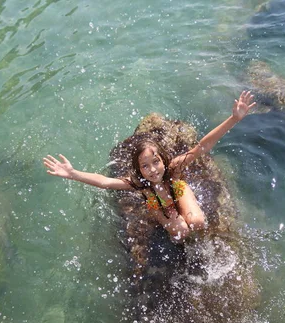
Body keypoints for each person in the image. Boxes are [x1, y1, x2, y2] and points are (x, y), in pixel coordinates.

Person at [43, 91, 256, 242]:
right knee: (181, 233)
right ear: (139, 169)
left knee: (198, 223)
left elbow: (203, 146)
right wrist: (73, 174)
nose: (153, 170)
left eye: (156, 162)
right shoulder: (139, 183)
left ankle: (190, 227)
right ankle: (178, 233)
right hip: (156, 204)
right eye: (145, 166)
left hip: (179, 191)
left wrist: (234, 119)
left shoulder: (173, 168)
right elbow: (106, 182)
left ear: (163, 159)